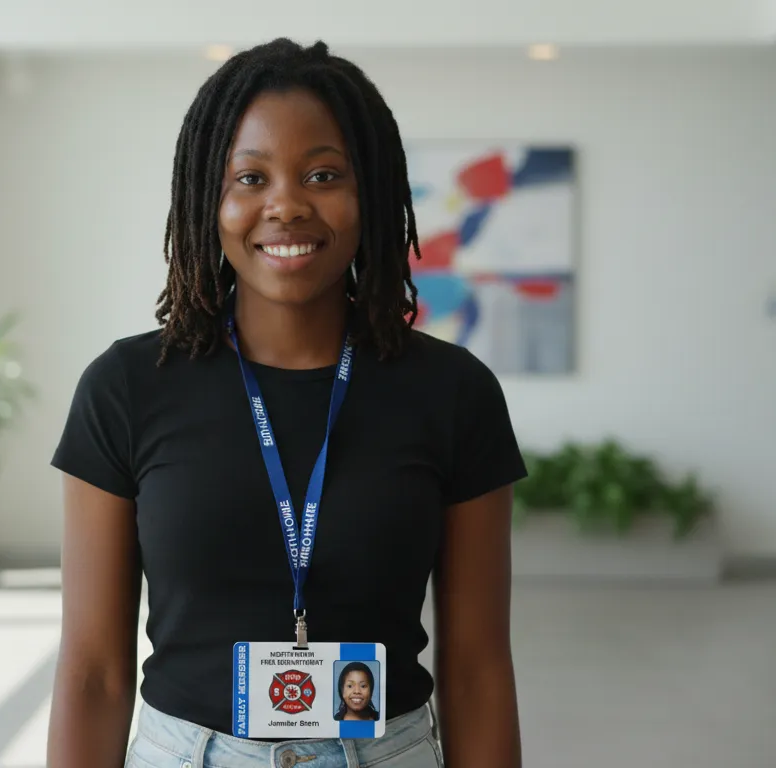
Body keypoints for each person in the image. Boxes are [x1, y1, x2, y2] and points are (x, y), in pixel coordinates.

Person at [47, 37, 526, 768]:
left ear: (371, 192)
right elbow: (92, 673)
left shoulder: (453, 393)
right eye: (250, 178)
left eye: (323, 174)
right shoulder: (126, 388)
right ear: (210, 197)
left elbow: (478, 672)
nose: (287, 205)